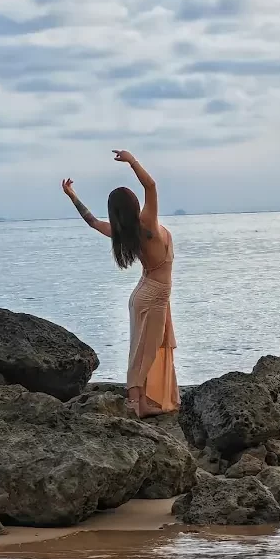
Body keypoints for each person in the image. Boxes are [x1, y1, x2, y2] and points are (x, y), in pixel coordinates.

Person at [62, 150, 179, 418]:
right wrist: (132, 161)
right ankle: (137, 404)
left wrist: (73, 196)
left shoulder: (124, 232)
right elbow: (150, 185)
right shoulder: (147, 223)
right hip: (154, 295)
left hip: (147, 293)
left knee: (142, 347)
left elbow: (92, 222)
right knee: (146, 350)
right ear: (133, 204)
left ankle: (140, 401)